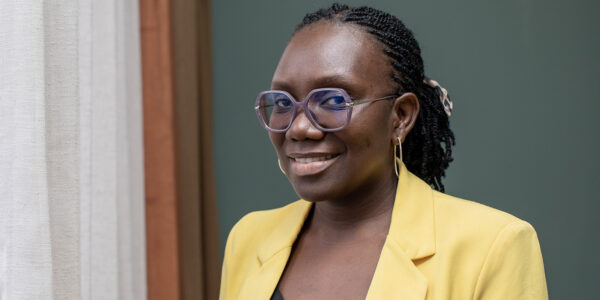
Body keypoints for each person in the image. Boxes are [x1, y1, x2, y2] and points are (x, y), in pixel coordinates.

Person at [220, 3, 547, 300]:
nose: (299, 128)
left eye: (334, 101)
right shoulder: (248, 239)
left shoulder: (492, 246)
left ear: (400, 116)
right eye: (282, 102)